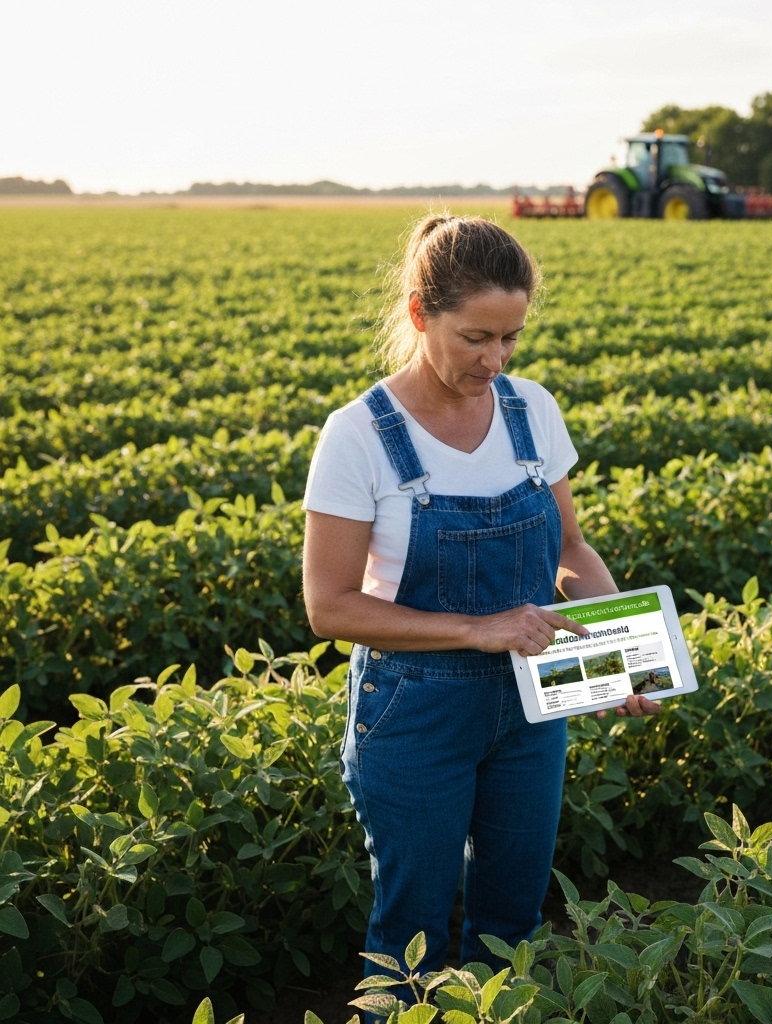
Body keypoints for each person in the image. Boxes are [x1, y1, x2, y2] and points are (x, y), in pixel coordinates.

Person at [301, 215, 660, 993]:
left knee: (514, 926)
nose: (495, 360)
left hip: (532, 709)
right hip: (415, 710)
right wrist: (480, 628)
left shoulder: (532, 410)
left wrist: (619, 656)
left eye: (511, 339)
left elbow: (569, 550)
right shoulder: (359, 435)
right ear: (420, 313)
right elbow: (329, 608)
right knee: (412, 938)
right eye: (475, 338)